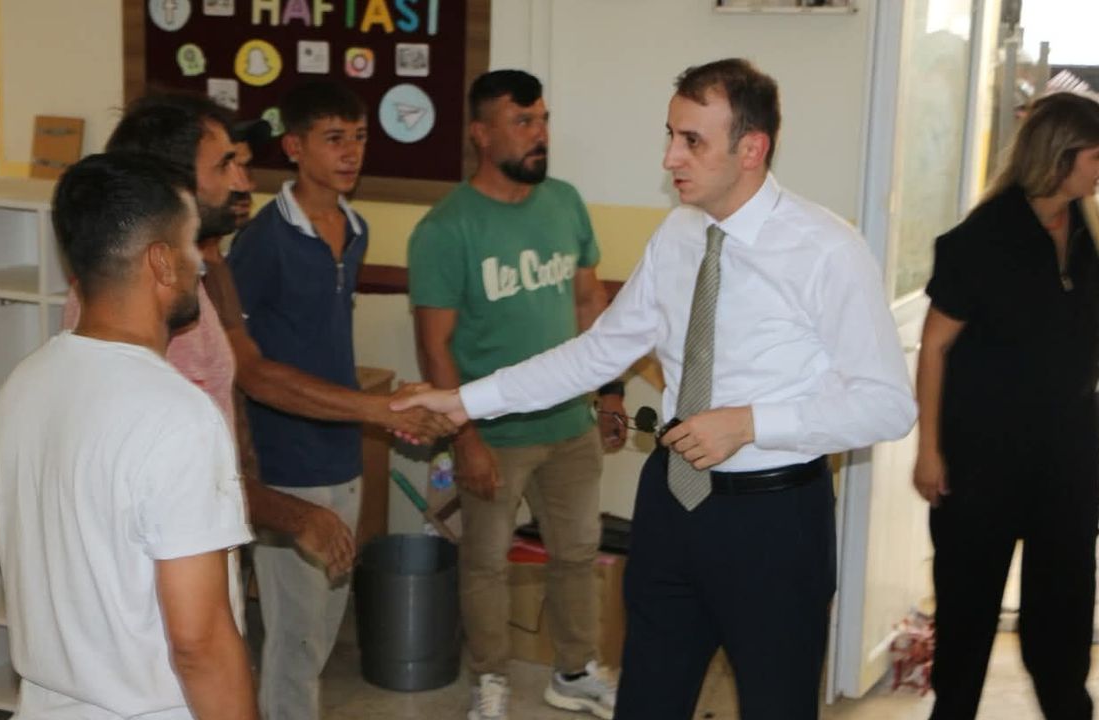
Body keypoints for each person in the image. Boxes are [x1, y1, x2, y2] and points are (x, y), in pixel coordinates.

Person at [393, 58, 916, 719]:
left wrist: (750, 423)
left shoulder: (828, 249)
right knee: (647, 701)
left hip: (773, 522)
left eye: (692, 140)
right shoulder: (678, 233)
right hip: (671, 506)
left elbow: (886, 404)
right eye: (670, 134)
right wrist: (462, 401)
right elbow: (598, 351)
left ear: (751, 148)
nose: (670, 158)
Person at [66, 93, 453, 580]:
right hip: (157, 558)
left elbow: (239, 367)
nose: (244, 182)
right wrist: (298, 513)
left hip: (214, 525)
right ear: (174, 183)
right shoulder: (143, 300)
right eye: (225, 165)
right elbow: (188, 465)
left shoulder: (202, 273)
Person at [0, 152, 258, 720]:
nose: (200, 267)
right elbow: (200, 642)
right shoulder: (177, 415)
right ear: (161, 262)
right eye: (190, 246)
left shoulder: (17, 390)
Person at [407, 69, 624, 720]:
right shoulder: (445, 228)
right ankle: (491, 680)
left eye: (543, 120)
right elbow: (434, 348)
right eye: (523, 122)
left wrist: (610, 392)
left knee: (577, 553)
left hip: (570, 425)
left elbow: (590, 303)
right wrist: (465, 437)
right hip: (494, 434)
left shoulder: (565, 202)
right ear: (481, 133)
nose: (540, 134)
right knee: (485, 564)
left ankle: (575, 672)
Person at [913, 91, 1099, 720]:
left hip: (1067, 452)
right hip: (981, 455)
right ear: (1060, 156)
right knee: (968, 605)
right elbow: (934, 348)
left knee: (1064, 602)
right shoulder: (982, 239)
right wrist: (929, 451)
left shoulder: (1096, 222)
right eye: (1098, 155)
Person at [226, 79, 377, 720]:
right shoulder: (263, 241)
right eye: (334, 139)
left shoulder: (356, 228)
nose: (351, 152)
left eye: (359, 138)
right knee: (294, 636)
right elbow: (237, 362)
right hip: (285, 461)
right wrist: (249, 461)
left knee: (325, 623)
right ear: (294, 147)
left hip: (343, 450)